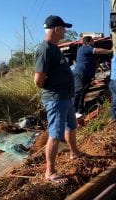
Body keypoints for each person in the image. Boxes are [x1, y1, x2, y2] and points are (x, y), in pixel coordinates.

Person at [34, 15, 83, 184]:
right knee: (55, 135)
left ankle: (74, 152)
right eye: (63, 28)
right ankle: (50, 171)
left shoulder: (55, 48)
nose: (65, 31)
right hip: (56, 99)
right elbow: (38, 80)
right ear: (56, 29)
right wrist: (53, 88)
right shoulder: (45, 49)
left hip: (65, 98)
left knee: (72, 126)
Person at [73, 36, 112, 118]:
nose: (94, 42)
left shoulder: (86, 50)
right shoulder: (85, 48)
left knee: (83, 91)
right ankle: (74, 111)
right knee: (79, 91)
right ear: (88, 41)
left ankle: (80, 110)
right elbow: (97, 50)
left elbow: (94, 61)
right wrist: (110, 51)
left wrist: (100, 68)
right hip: (81, 73)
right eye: (93, 40)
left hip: (86, 74)